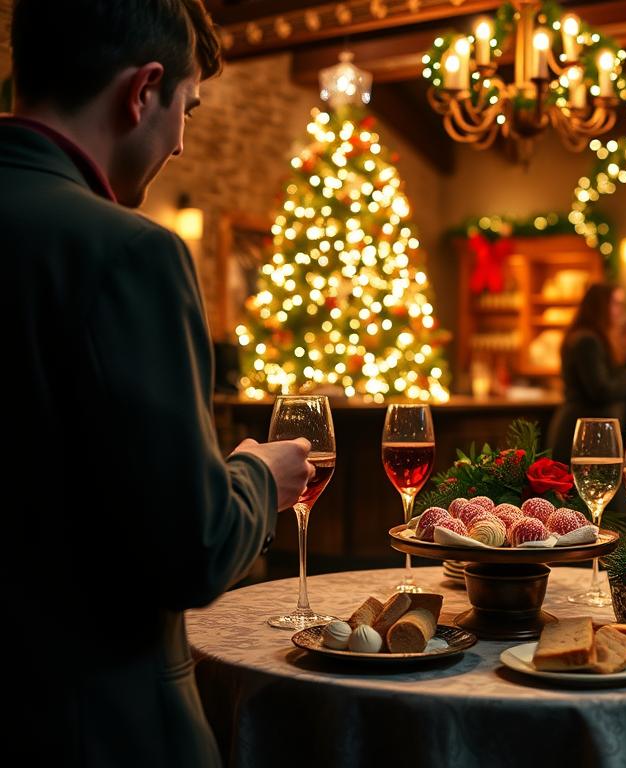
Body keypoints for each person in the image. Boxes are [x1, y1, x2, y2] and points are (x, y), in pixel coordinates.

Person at [6, 2, 314, 765]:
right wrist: (254, 476)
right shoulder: (129, 254)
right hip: (92, 729)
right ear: (143, 91)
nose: (180, 142)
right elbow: (192, 549)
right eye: (188, 108)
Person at [547, 284, 626, 463]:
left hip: (593, 433)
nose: (620, 311)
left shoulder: (595, 338)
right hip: (585, 434)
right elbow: (601, 390)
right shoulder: (587, 340)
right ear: (600, 306)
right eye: (616, 304)